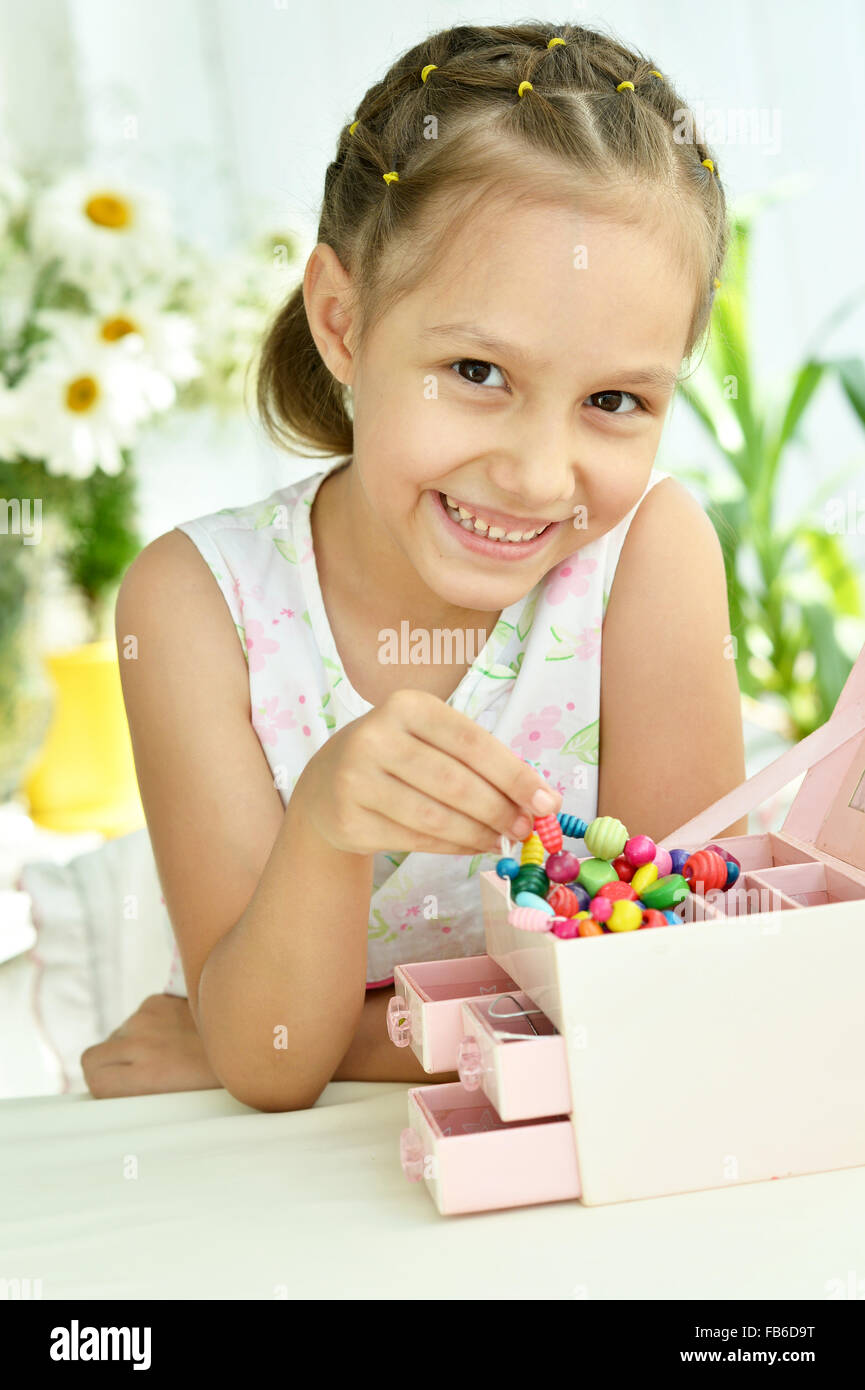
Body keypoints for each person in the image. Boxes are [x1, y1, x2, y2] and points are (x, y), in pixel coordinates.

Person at [81, 20, 747, 1107]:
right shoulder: (199, 604)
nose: (537, 476)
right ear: (343, 323)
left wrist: (324, 1036)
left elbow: (670, 997)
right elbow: (271, 1064)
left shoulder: (648, 564)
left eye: (613, 401)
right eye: (477, 370)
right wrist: (326, 822)